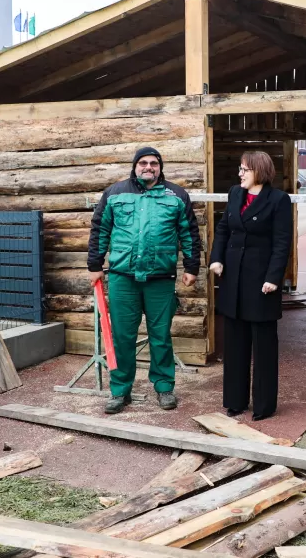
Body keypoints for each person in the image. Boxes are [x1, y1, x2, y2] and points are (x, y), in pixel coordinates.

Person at [87, 147, 201, 414]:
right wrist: (95, 263)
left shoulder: (176, 196)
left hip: (160, 278)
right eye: (143, 163)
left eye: (154, 163)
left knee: (160, 336)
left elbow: (189, 233)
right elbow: (100, 228)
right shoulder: (115, 193)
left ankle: (164, 388)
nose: (148, 167)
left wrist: (192, 266)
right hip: (122, 278)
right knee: (122, 337)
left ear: (160, 168)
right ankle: (119, 391)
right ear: (135, 166)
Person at [210, 151, 293, 420]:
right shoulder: (235, 193)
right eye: (240, 168)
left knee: (264, 345)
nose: (240, 173)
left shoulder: (278, 200)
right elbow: (223, 229)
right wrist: (217, 259)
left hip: (261, 282)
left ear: (259, 170)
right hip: (233, 278)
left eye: (245, 169)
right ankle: (235, 401)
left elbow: (282, 243)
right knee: (234, 342)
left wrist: (273, 277)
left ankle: (264, 405)